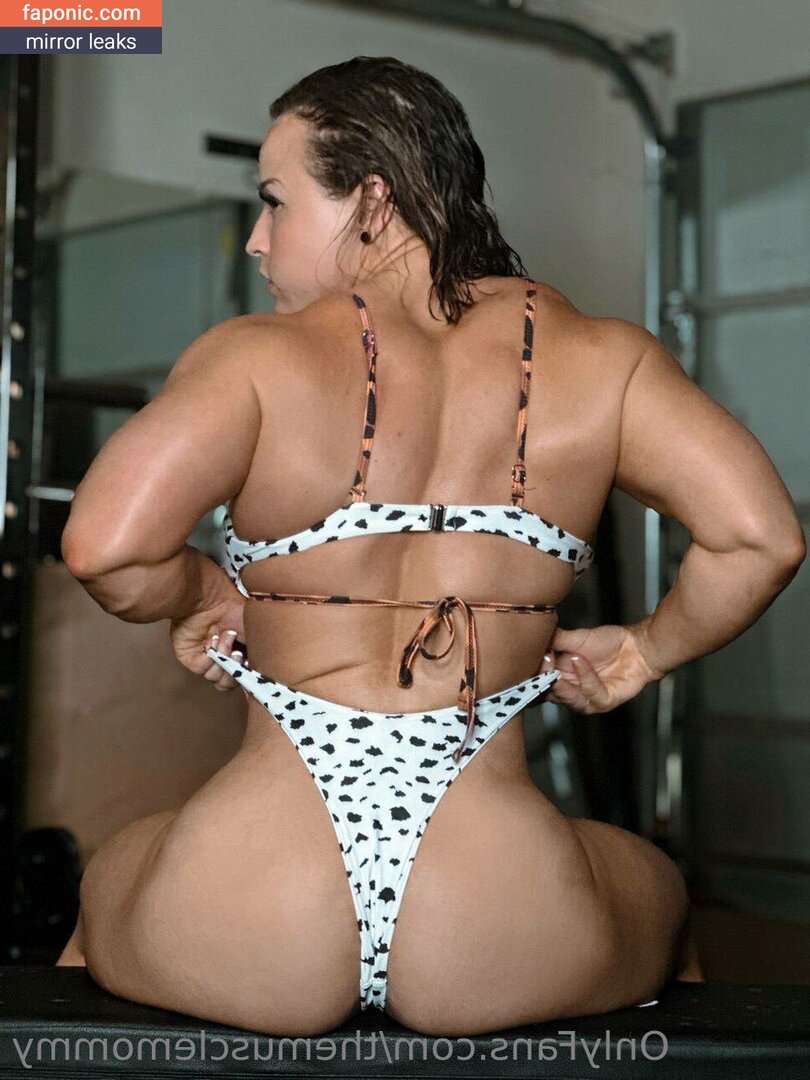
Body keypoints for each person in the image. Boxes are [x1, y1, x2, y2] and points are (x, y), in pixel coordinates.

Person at [57, 56, 805, 1038]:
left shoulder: (257, 359)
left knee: (108, 890)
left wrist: (203, 591)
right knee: (662, 898)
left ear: (372, 202)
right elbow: (760, 540)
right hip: (492, 906)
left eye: (275, 202)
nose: (257, 238)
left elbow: (105, 549)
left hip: (260, 897)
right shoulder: (601, 359)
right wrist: (642, 652)